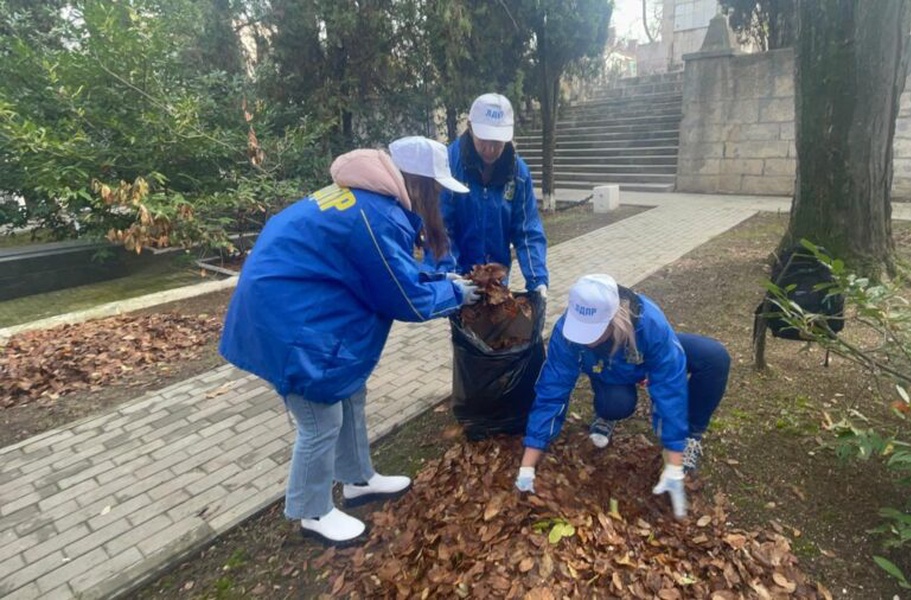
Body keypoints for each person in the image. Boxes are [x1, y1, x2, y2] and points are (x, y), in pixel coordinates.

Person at [219, 136, 481, 547]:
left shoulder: (364, 201)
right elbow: (403, 297)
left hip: (294, 306)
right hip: (285, 321)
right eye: (436, 192)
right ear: (420, 184)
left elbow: (383, 272)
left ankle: (358, 478)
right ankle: (312, 511)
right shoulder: (376, 217)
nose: (439, 203)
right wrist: (454, 295)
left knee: (349, 392)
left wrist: (440, 279)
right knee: (320, 419)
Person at [513, 274, 731, 518]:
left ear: (613, 318)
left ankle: (691, 436)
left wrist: (674, 460)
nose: (585, 340)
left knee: (714, 357)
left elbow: (670, 392)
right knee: (615, 405)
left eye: (592, 332)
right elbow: (551, 392)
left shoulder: (649, 325)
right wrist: (527, 465)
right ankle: (606, 415)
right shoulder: (567, 333)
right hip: (608, 369)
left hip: (642, 351)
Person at [424, 93, 549, 297]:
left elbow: (527, 231)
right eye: (484, 140)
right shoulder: (448, 165)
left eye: (498, 142)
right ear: (471, 128)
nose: (490, 149)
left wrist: (537, 280)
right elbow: (440, 227)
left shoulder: (518, 174)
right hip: (461, 277)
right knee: (464, 327)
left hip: (498, 279)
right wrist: (451, 276)